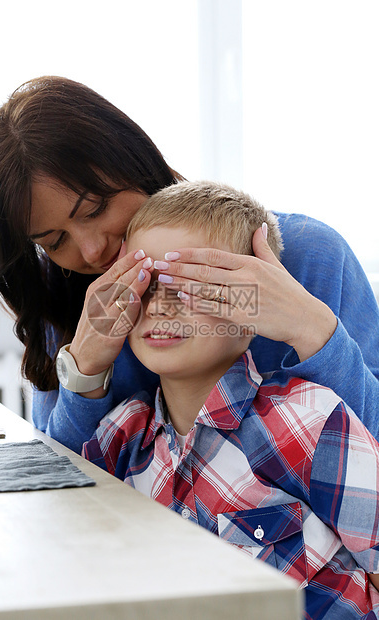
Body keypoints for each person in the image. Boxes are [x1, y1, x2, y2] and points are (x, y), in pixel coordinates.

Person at [0, 75, 378, 454]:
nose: (91, 252)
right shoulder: (70, 297)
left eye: (95, 209)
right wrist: (86, 372)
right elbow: (64, 485)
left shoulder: (307, 255)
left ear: (135, 162)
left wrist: (312, 331)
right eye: (54, 242)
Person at [82, 180, 379, 619]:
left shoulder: (310, 421)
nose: (159, 307)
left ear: (254, 303)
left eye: (191, 286)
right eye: (143, 286)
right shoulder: (120, 436)